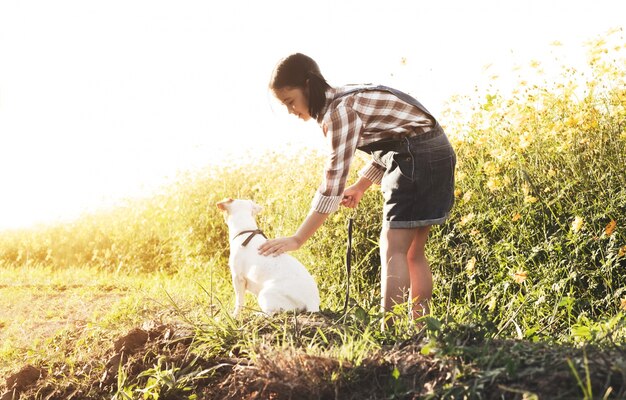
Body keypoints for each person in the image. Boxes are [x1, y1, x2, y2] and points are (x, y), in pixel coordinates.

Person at [258, 53, 456, 327]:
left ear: (307, 85)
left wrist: (298, 238)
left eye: (290, 102)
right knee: (412, 252)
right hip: (434, 153)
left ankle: (391, 328)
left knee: (392, 247)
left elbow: (333, 181)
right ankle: (422, 327)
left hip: (417, 158)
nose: (291, 111)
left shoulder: (338, 112)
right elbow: (395, 139)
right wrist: (362, 185)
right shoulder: (345, 98)